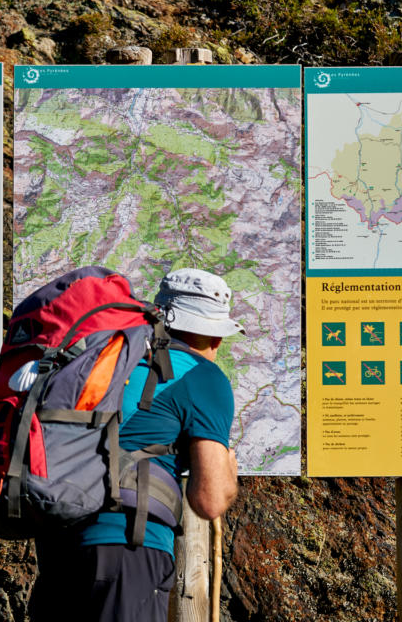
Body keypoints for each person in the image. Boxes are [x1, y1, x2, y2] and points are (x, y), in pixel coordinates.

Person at [29, 267, 244, 622]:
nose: (218, 345)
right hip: (128, 547)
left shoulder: (106, 357)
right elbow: (209, 500)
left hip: (58, 548)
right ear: (211, 336)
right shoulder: (203, 376)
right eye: (214, 336)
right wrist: (228, 474)